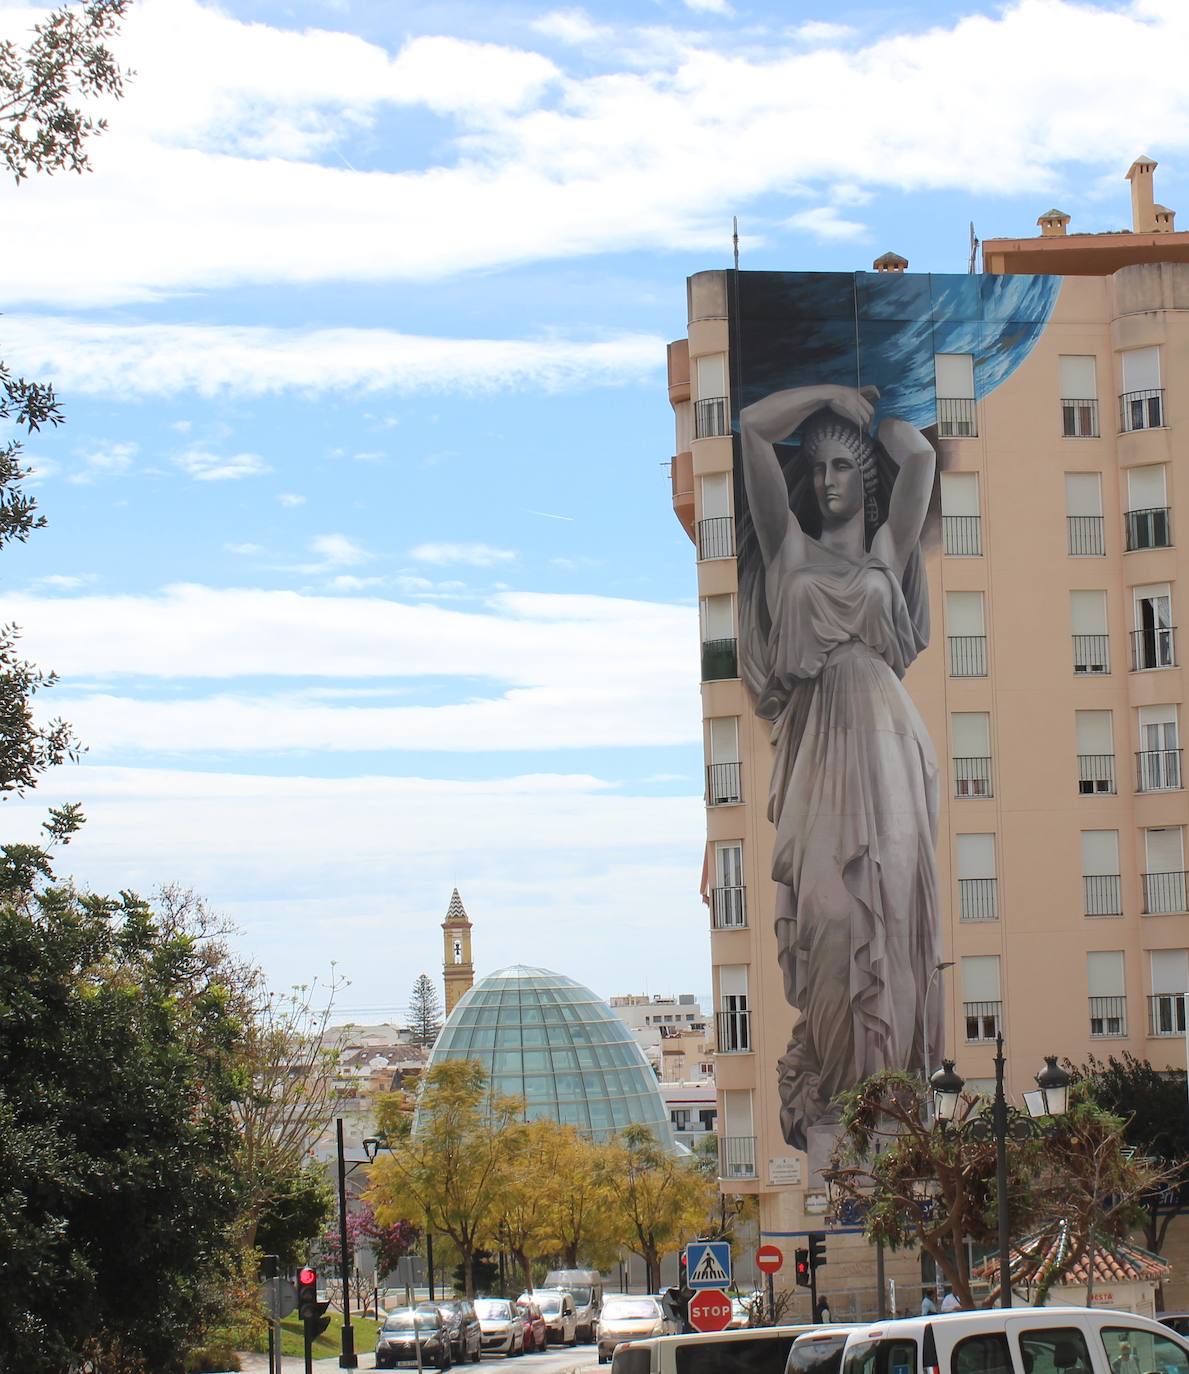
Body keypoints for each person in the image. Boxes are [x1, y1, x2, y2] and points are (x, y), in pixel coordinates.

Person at [738, 383, 941, 1152]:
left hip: (888, 740)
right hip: (817, 742)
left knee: (888, 903)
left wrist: (886, 406)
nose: (826, 481)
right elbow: (753, 433)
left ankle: (889, 1103)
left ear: (865, 482)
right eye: (816, 466)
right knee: (826, 911)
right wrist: (826, 394)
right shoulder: (788, 549)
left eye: (842, 469)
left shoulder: (889, 552)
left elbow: (918, 455)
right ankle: (838, 1090)